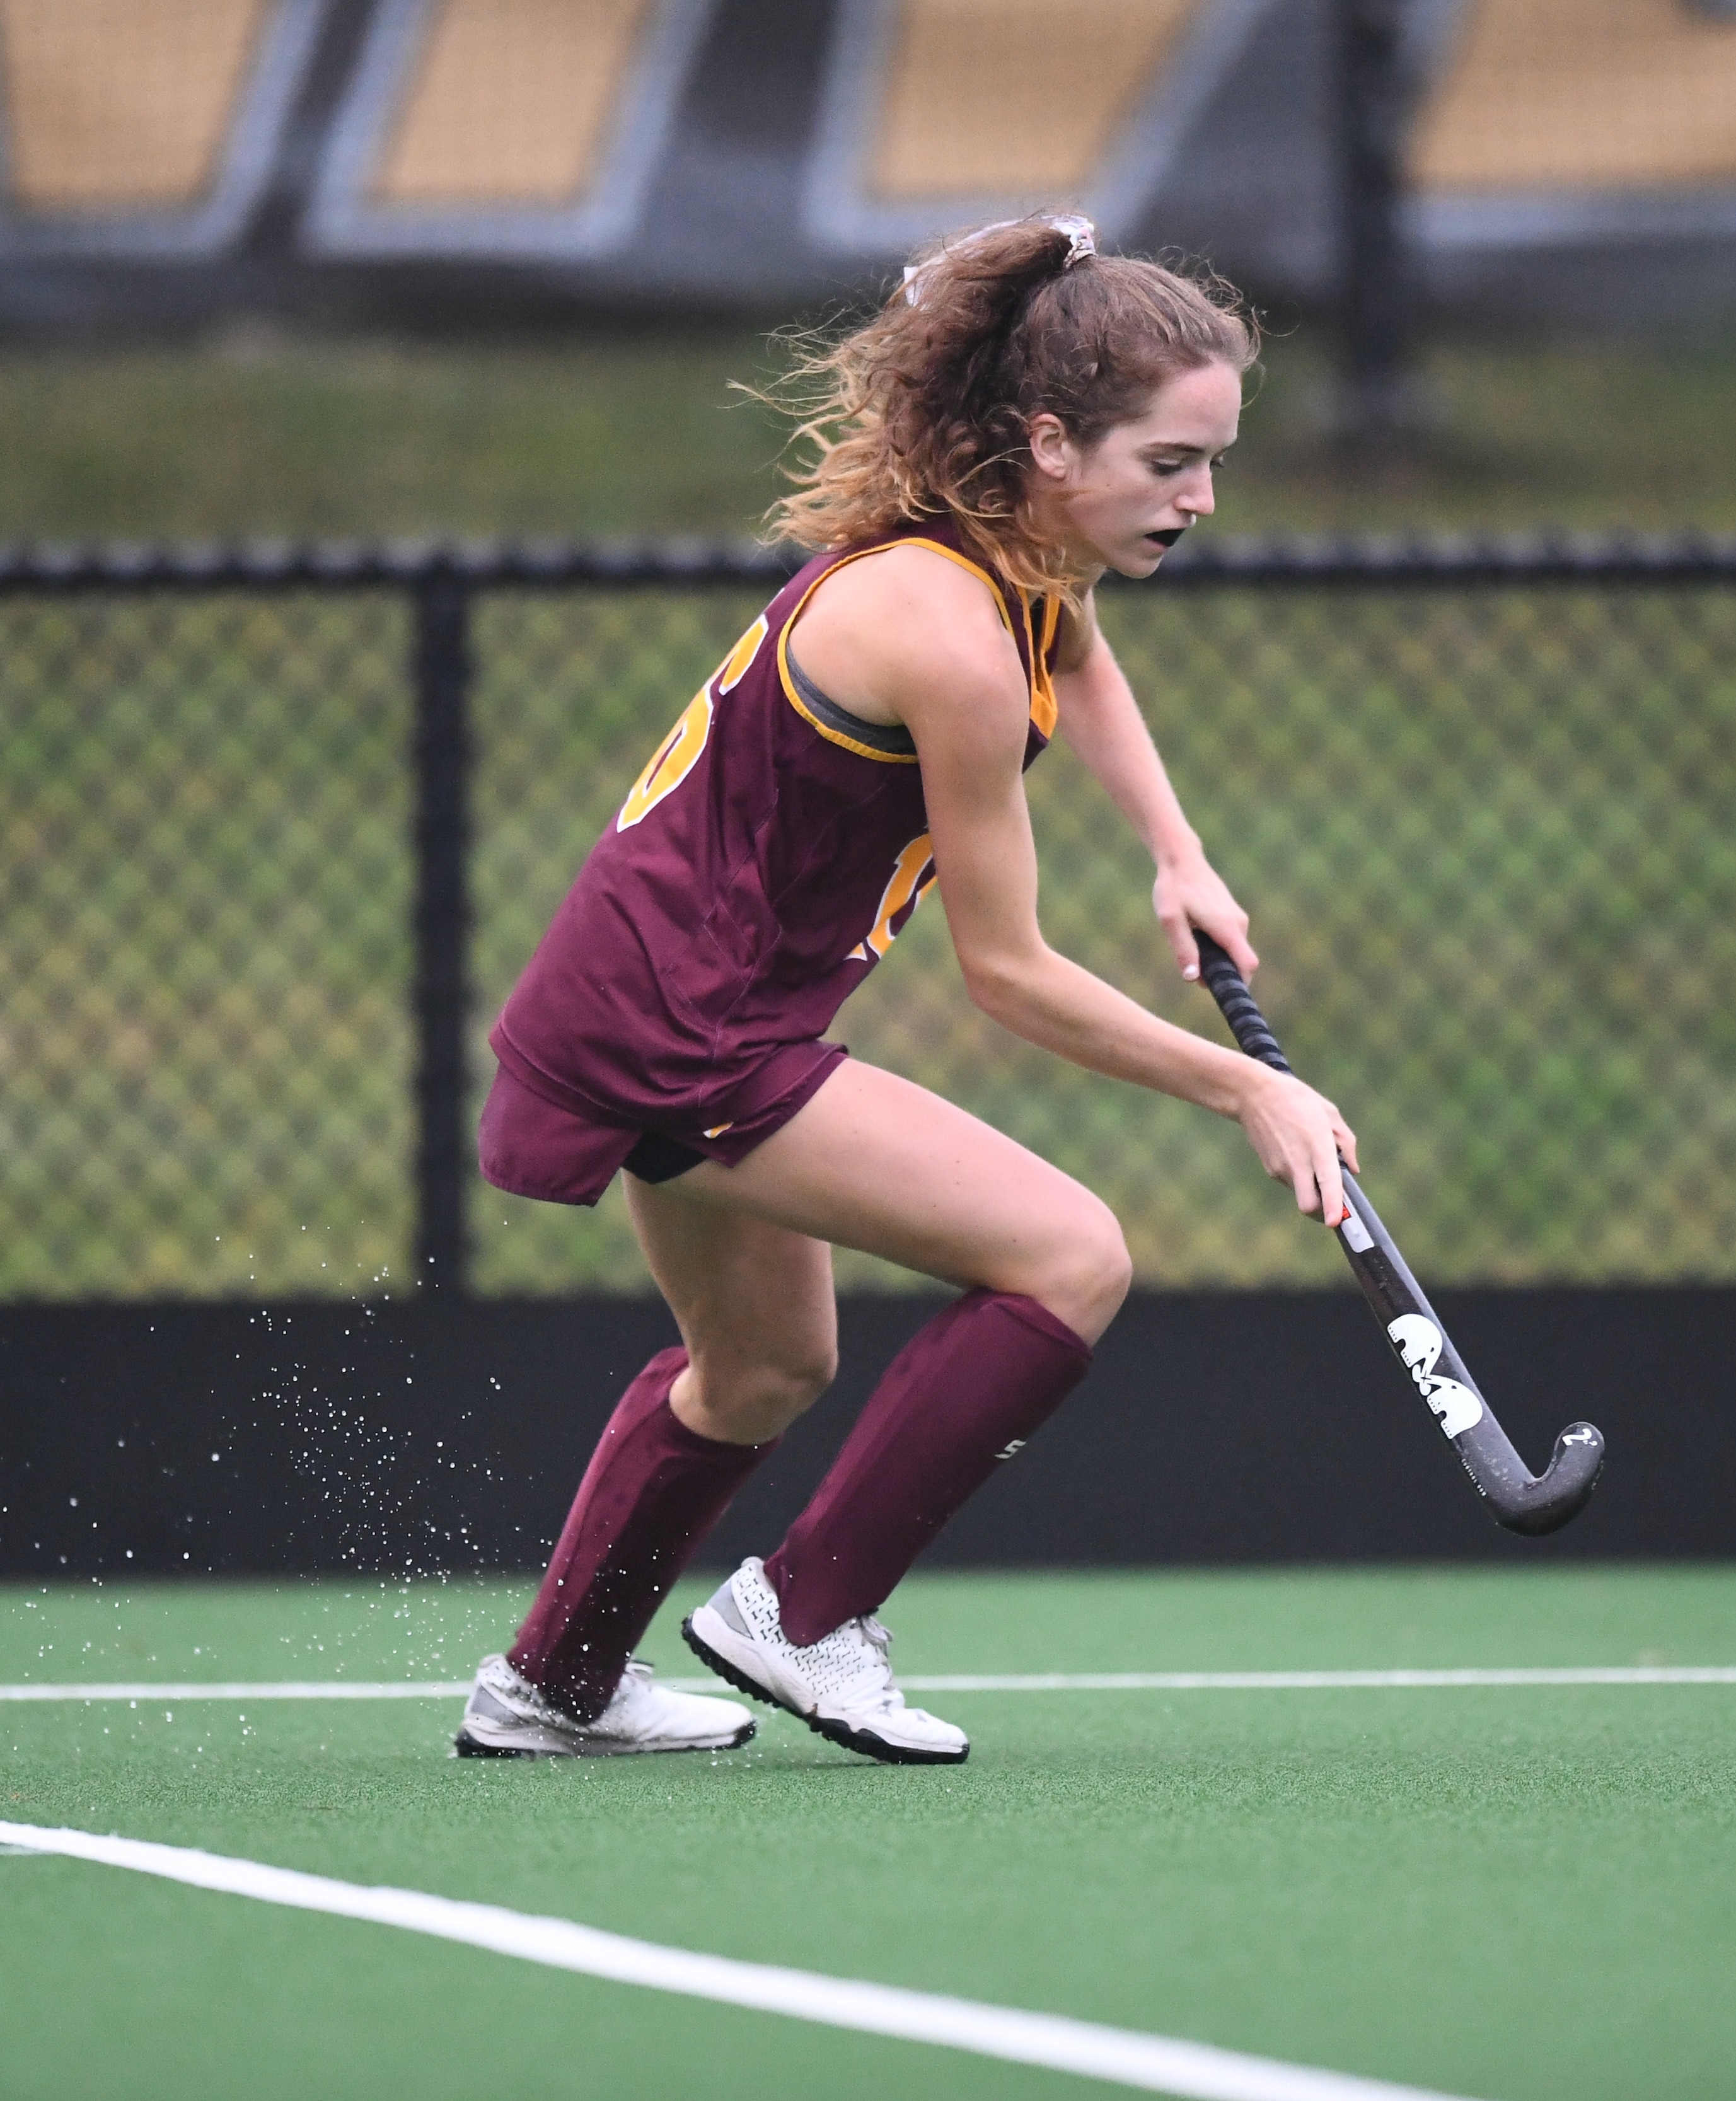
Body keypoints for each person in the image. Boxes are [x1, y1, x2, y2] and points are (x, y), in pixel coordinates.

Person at [453, 213, 1357, 1764]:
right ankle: (802, 1614)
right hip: (692, 1025)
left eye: (1213, 462)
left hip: (652, 992)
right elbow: (1007, 975)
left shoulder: (1004, 560)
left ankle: (553, 1683)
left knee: (762, 1368)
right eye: (1168, 464)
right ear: (1053, 441)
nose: (1200, 500)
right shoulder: (942, 630)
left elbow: (1074, 655)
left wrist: (1175, 850)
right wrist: (1245, 1082)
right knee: (1068, 1254)